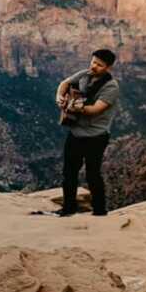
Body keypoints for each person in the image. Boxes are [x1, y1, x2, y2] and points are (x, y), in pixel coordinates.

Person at [54, 49, 120, 217]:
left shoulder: (111, 87)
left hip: (95, 137)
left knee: (93, 174)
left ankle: (99, 210)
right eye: (93, 62)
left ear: (108, 67)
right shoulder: (85, 74)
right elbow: (65, 83)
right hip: (75, 133)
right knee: (69, 172)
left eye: (99, 64)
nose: (94, 66)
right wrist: (60, 97)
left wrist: (79, 108)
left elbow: (96, 109)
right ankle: (68, 208)